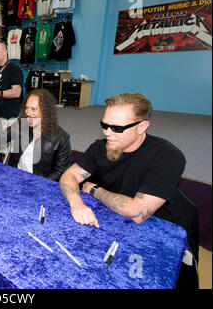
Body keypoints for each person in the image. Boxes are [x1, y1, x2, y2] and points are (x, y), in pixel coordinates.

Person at [59, 93, 199, 289]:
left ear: (142, 126)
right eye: (104, 124)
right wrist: (76, 203)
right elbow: (69, 176)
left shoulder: (167, 156)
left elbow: (138, 212)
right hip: (114, 218)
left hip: (160, 226)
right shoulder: (101, 147)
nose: (107, 132)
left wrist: (95, 190)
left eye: (117, 128)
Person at [0, 89, 71, 181]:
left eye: (33, 109)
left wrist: (39, 185)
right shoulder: (21, 124)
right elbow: (2, 137)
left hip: (40, 185)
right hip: (15, 177)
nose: (28, 113)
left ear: (46, 111)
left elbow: (60, 171)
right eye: (26, 108)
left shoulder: (61, 138)